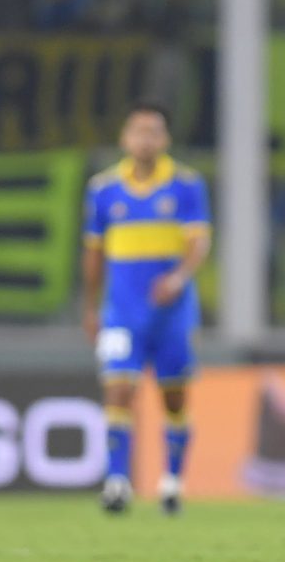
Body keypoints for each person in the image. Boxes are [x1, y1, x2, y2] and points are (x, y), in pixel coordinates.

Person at [81, 102, 211, 515]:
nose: (145, 139)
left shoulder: (186, 184)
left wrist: (177, 278)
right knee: (118, 389)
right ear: (125, 138)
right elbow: (93, 254)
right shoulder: (103, 189)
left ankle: (171, 481)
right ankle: (117, 483)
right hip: (121, 313)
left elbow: (199, 243)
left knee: (173, 397)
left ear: (165, 139)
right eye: (138, 131)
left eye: (153, 132)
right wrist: (90, 307)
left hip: (172, 313)